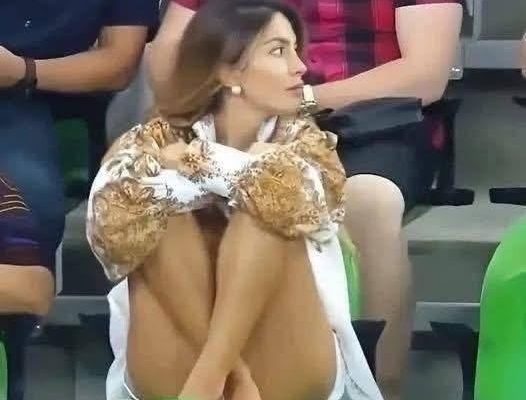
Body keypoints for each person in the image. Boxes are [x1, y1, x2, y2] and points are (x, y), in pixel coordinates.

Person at [149, 0, 462, 398]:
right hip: (244, 115)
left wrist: (300, 98)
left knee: (371, 200)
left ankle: (377, 385)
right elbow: (169, 56)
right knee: (174, 193)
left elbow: (425, 74)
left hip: (373, 124)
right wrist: (241, 94)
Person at [87, 1, 383, 399]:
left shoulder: (307, 141)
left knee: (267, 214)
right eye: (279, 51)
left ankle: (212, 372)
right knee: (157, 219)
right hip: (180, 351)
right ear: (228, 71)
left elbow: (302, 202)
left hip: (287, 350)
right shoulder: (152, 138)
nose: (301, 67)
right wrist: (242, 173)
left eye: (296, 50)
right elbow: (108, 224)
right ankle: (222, 373)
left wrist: (198, 162)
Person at [0, 0, 159, 272]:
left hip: (26, 92)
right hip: (25, 94)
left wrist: (22, 71)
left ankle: (21, 293)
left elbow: (119, 63)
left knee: (30, 208)